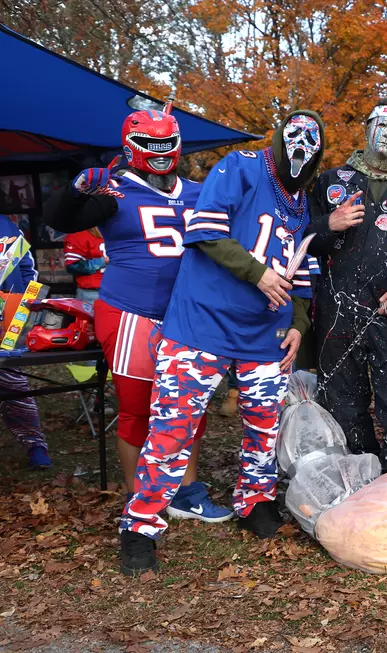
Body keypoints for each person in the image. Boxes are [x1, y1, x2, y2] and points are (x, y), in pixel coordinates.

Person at [118, 110, 324, 575]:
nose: (299, 154)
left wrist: (298, 322)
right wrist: (258, 273)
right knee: (172, 429)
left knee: (265, 427)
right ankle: (139, 525)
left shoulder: (302, 200)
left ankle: (254, 502)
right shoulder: (241, 166)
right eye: (292, 142)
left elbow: (303, 274)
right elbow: (205, 230)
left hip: (265, 331)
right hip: (203, 321)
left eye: (310, 148)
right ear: (277, 141)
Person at [43, 102, 225, 518]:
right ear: (130, 145)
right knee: (138, 408)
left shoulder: (201, 192)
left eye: (167, 143)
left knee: (189, 406)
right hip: (131, 311)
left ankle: (187, 490)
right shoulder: (113, 189)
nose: (160, 152)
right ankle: (139, 497)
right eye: (150, 143)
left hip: (188, 314)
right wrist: (75, 191)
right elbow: (58, 218)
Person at [308, 98, 387, 474]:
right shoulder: (331, 181)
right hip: (335, 312)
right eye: (382, 124)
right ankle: (355, 479)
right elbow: (299, 241)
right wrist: (329, 224)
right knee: (342, 400)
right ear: (367, 128)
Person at [0, 218, 51, 469]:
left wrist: (24, 310)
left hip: (9, 316)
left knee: (14, 384)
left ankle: (35, 446)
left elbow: (28, 271)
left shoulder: (6, 226)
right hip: (11, 314)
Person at [63, 227, 105, 302]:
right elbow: (72, 266)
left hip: (119, 291)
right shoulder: (78, 235)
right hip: (92, 293)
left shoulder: (118, 230)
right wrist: (102, 261)